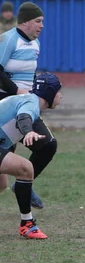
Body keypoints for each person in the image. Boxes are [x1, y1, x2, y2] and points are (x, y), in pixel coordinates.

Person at [0, 2, 57, 209]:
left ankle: (25, 184)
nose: (41, 26)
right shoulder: (8, 40)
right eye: (38, 21)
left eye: (42, 21)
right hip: (6, 105)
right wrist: (16, 91)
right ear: (25, 21)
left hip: (25, 105)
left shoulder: (35, 43)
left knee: (48, 145)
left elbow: (28, 75)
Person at [0, 72, 63, 239]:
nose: (61, 96)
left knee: (1, 184)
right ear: (51, 93)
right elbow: (23, 117)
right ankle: (27, 225)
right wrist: (28, 132)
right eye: (59, 92)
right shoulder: (31, 102)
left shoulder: (27, 99)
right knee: (25, 168)